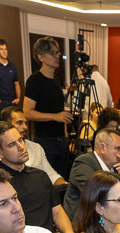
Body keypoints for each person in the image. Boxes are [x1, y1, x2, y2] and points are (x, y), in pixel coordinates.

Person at [0, 122, 74, 233]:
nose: (21, 147)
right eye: (12, 144)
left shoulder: (41, 176)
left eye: (20, 140)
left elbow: (57, 211)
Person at [23, 37, 72, 176]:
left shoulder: (56, 80)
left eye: (58, 52)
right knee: (48, 179)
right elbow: (27, 112)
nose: (57, 56)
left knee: (62, 178)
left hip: (61, 141)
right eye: (52, 53)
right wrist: (54, 117)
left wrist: (65, 137)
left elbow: (60, 112)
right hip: (46, 141)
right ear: (41, 57)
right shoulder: (34, 80)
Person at [63, 128, 120, 220]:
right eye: (118, 148)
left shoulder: (117, 168)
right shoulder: (83, 162)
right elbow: (97, 196)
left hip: (106, 221)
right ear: (102, 148)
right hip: (84, 223)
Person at [0, 105, 64, 185]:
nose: (25, 127)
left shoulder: (36, 147)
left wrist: (65, 186)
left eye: (25, 123)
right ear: (7, 125)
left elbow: (51, 175)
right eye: (19, 123)